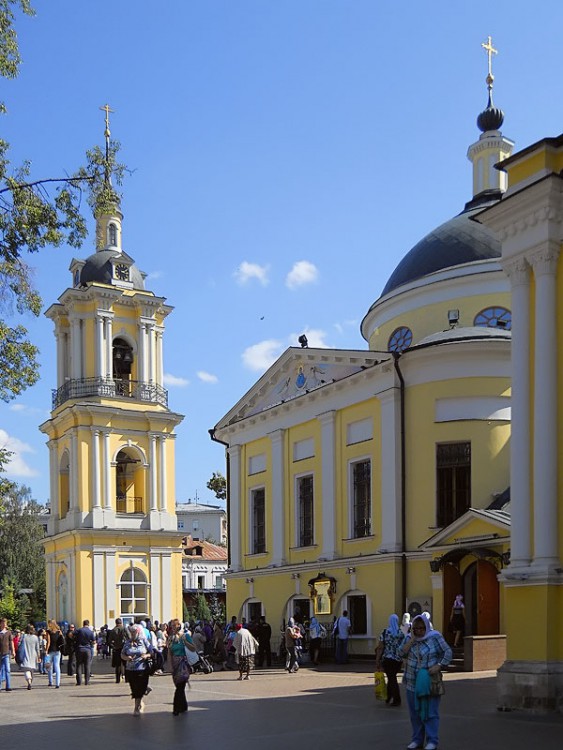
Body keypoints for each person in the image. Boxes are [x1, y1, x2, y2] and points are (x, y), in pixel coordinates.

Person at [402, 613, 452, 750]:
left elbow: (447, 652)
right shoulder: (409, 639)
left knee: (431, 712)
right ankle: (417, 739)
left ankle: (432, 740)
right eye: (415, 628)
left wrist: (439, 665)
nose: (419, 631)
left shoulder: (435, 637)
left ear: (426, 626)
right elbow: (400, 653)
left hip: (430, 682)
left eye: (421, 628)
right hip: (412, 683)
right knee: (415, 713)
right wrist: (411, 639)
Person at [375, 614, 406, 707]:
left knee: (392, 678)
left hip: (388, 659)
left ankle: (397, 699)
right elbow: (404, 646)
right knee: (391, 677)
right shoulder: (400, 633)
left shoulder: (385, 632)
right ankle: (388, 697)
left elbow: (380, 647)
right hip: (398, 660)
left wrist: (377, 659)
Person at [167, 618, 196, 716]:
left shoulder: (185, 636)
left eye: (175, 625)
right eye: (172, 625)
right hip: (175, 664)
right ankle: (184, 705)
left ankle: (176, 708)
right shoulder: (171, 638)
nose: (173, 627)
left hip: (183, 664)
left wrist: (185, 642)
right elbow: (169, 653)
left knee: (180, 686)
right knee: (178, 685)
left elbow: (193, 648)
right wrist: (170, 665)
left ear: (179, 626)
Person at [122, 623, 152, 715]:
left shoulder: (144, 641)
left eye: (134, 632)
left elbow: (152, 652)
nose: (133, 634)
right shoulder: (127, 642)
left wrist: (146, 655)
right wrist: (127, 658)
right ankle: (140, 702)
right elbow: (122, 654)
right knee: (134, 689)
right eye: (131, 632)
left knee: (139, 688)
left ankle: (136, 707)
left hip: (142, 668)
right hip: (130, 669)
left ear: (138, 632)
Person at [19, 624, 40, 690]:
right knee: (31, 670)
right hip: (33, 655)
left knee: (26, 669)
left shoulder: (24, 636)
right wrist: (39, 656)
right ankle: (30, 681)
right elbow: (37, 648)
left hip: (25, 654)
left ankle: (29, 681)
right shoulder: (35, 637)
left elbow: (19, 644)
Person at [74, 619, 95, 685]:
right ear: (88, 624)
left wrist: (75, 640)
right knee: (87, 666)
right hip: (87, 649)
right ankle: (87, 681)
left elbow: (71, 634)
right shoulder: (90, 632)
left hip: (79, 649)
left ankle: (79, 681)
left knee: (79, 665)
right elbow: (94, 641)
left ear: (83, 624)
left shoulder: (79, 630)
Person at [46, 619, 64, 688]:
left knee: (49, 666)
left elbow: (48, 642)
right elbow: (62, 640)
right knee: (57, 666)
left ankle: (50, 681)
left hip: (50, 651)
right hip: (57, 650)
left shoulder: (48, 632)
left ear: (51, 624)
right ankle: (58, 683)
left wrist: (46, 650)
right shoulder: (59, 632)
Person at [108, 618, 126, 683]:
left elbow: (109, 641)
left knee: (118, 665)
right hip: (124, 649)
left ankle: (117, 679)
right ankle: (127, 679)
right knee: (125, 664)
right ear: (121, 622)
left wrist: (113, 646)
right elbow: (128, 638)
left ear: (116, 623)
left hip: (116, 649)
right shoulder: (124, 629)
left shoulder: (113, 630)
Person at [0, 617, 15, 691]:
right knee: (0, 670)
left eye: (5, 623)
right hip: (0, 653)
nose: (3, 624)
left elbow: (11, 642)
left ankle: (8, 686)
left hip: (6, 653)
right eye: (2, 623)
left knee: (7, 669)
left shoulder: (8, 632)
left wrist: (13, 651)